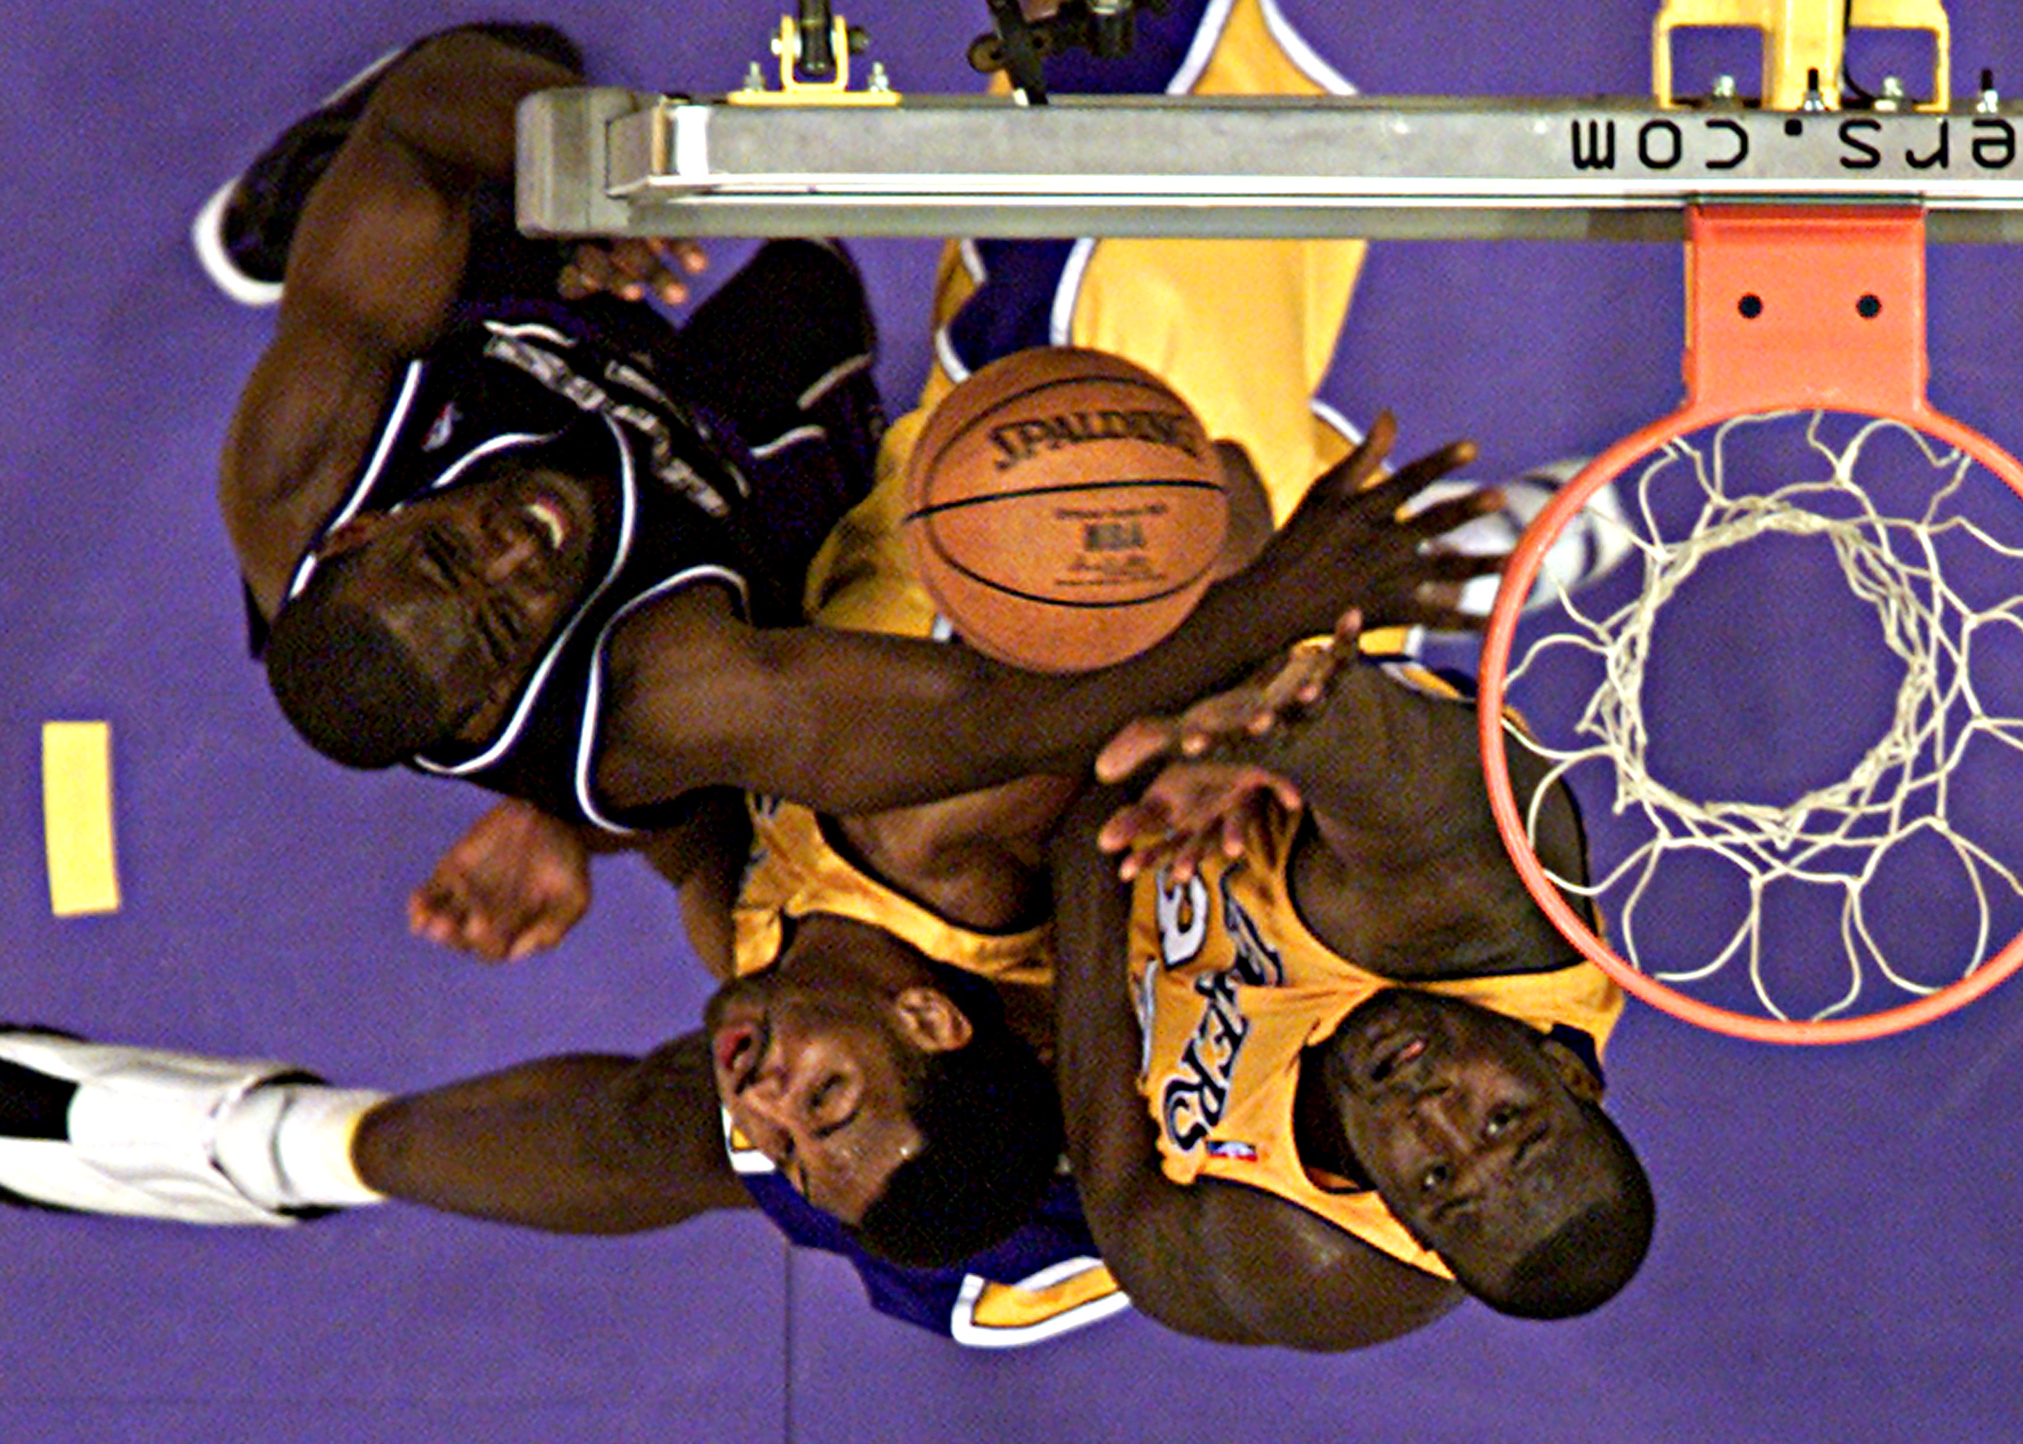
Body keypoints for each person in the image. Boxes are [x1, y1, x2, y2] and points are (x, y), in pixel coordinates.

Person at [209, 19, 1485, 847]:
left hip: (540, 319)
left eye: (443, 555)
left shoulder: (301, 464)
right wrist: (1270, 603)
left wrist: (591, 163)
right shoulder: (658, 698)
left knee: (500, 86)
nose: (514, 553)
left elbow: (426, 113)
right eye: (506, 614)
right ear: (506, 688)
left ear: (366, 526)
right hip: (738, 471)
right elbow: (989, 712)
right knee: (1149, 515)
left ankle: (316, 190)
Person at [1045, 620, 1654, 1351]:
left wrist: (1094, 825)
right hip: (1268, 636)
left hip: (1067, 878)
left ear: (1402, 1222)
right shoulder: (1485, 906)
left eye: (1433, 1176)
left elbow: (1104, 1145)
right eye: (1502, 1120)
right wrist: (1264, 735)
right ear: (1567, 1073)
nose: (1435, 1112)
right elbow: (1368, 744)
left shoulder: (1295, 1263)